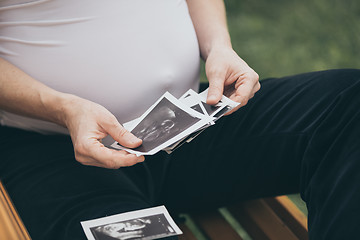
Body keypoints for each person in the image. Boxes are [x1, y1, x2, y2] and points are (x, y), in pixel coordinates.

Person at [0, 0, 359, 239]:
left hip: (188, 121)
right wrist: (62, 106)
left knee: (348, 103)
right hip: (52, 150)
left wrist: (219, 45)